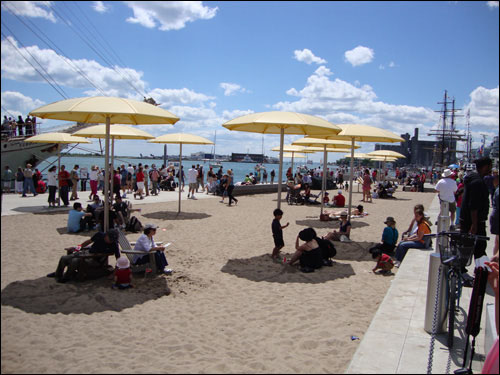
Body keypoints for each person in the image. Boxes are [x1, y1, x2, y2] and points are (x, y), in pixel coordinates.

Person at [47, 229, 120, 283]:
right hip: (87, 252)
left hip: (95, 259)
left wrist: (114, 273)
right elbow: (88, 242)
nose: (110, 241)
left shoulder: (114, 245)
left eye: (112, 240)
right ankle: (58, 274)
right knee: (64, 258)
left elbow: (119, 260)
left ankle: (67, 277)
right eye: (110, 239)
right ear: (106, 235)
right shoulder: (100, 235)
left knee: (75, 261)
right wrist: (77, 248)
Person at [459, 157, 493, 270]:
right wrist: (474, 225)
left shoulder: (472, 178)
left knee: (468, 247)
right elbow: (473, 206)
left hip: (467, 220)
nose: (491, 169)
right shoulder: (478, 182)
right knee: (478, 248)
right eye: (490, 166)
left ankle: (464, 271)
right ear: (485, 167)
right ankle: (480, 273)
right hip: (474, 222)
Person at [490, 174, 499, 259]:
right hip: (497, 217)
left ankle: (494, 261)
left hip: (496, 217)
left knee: (497, 242)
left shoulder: (497, 189)